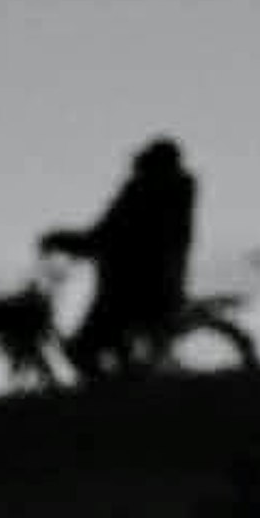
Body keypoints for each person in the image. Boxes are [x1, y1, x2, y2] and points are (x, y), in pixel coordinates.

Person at [42, 136, 196, 377]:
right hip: (151, 284)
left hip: (130, 288)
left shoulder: (143, 193)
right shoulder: (172, 193)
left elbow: (106, 235)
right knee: (109, 348)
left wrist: (60, 240)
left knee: (84, 348)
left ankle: (109, 397)